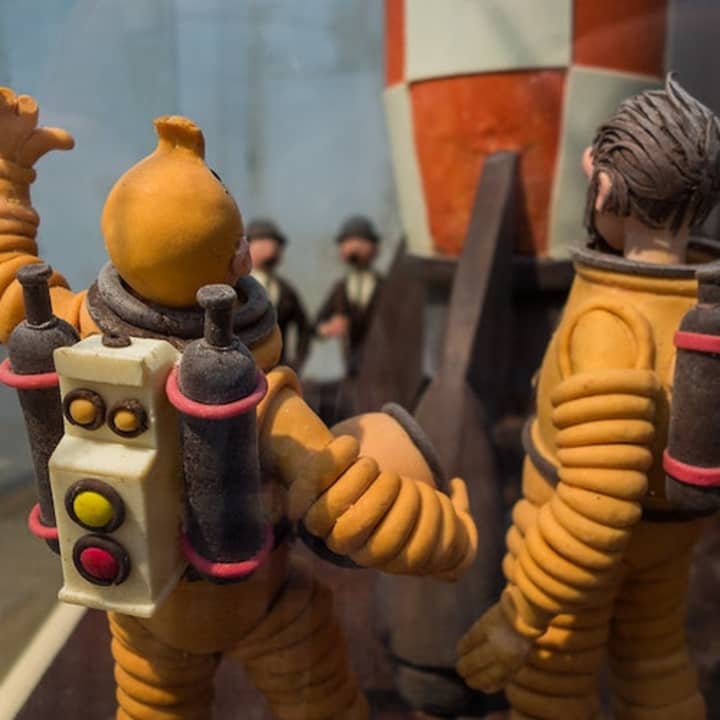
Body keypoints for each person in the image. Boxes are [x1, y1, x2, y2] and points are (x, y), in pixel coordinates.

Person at [0, 89, 478, 720]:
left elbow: (10, 278)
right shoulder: (259, 395)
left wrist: (9, 177)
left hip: (147, 617)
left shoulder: (69, 336)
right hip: (264, 606)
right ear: (237, 257)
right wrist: (450, 534)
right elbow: (352, 501)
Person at [457, 75, 720, 719]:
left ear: (603, 187)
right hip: (669, 539)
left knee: (553, 682)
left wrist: (520, 616)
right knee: (656, 666)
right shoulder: (697, 300)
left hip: (574, 559)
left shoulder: (610, 322)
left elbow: (595, 508)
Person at [315, 216, 382, 376]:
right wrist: (327, 328)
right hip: (350, 365)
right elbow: (316, 324)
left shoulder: (385, 286)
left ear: (375, 249)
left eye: (361, 242)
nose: (355, 247)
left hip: (382, 364)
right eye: (349, 242)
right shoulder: (340, 288)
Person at [247, 218, 311, 371]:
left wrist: (297, 363)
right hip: (243, 368)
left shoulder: (286, 290)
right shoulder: (238, 287)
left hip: (277, 369)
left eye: (276, 245)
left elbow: (304, 328)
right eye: (263, 242)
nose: (272, 249)